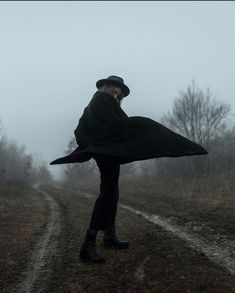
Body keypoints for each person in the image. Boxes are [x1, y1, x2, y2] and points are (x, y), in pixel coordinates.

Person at [50, 75, 208, 264]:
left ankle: (109, 236)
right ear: (106, 86)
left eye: (121, 92)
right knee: (107, 194)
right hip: (106, 152)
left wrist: (93, 145)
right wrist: (138, 125)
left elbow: (80, 131)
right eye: (116, 88)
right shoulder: (102, 99)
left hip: (107, 152)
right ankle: (88, 244)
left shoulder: (96, 104)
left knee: (112, 192)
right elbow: (116, 126)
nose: (119, 93)